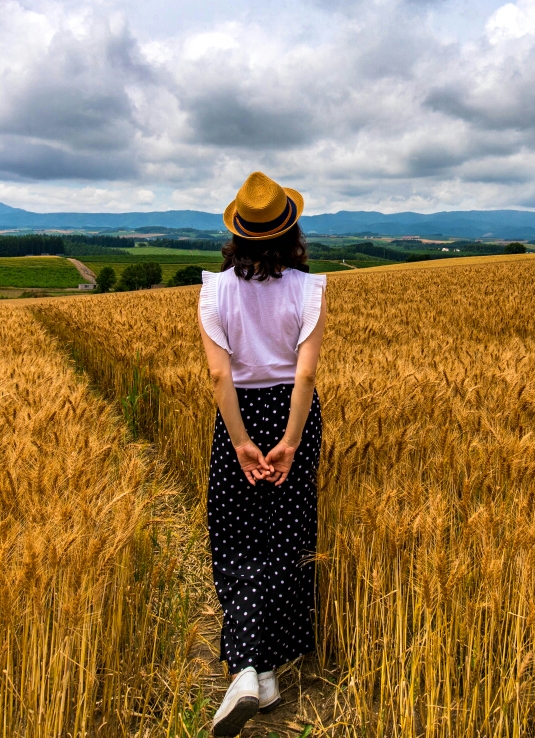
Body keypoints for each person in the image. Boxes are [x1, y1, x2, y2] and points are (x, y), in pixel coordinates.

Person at [199, 172, 327, 737]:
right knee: (287, 535)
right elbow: (304, 373)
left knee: (235, 536)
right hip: (292, 414)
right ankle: (266, 667)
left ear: (239, 234)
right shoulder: (308, 289)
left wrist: (240, 440)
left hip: (240, 416)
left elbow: (218, 373)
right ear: (288, 232)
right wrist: (293, 440)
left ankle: (250, 669)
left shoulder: (214, 290)